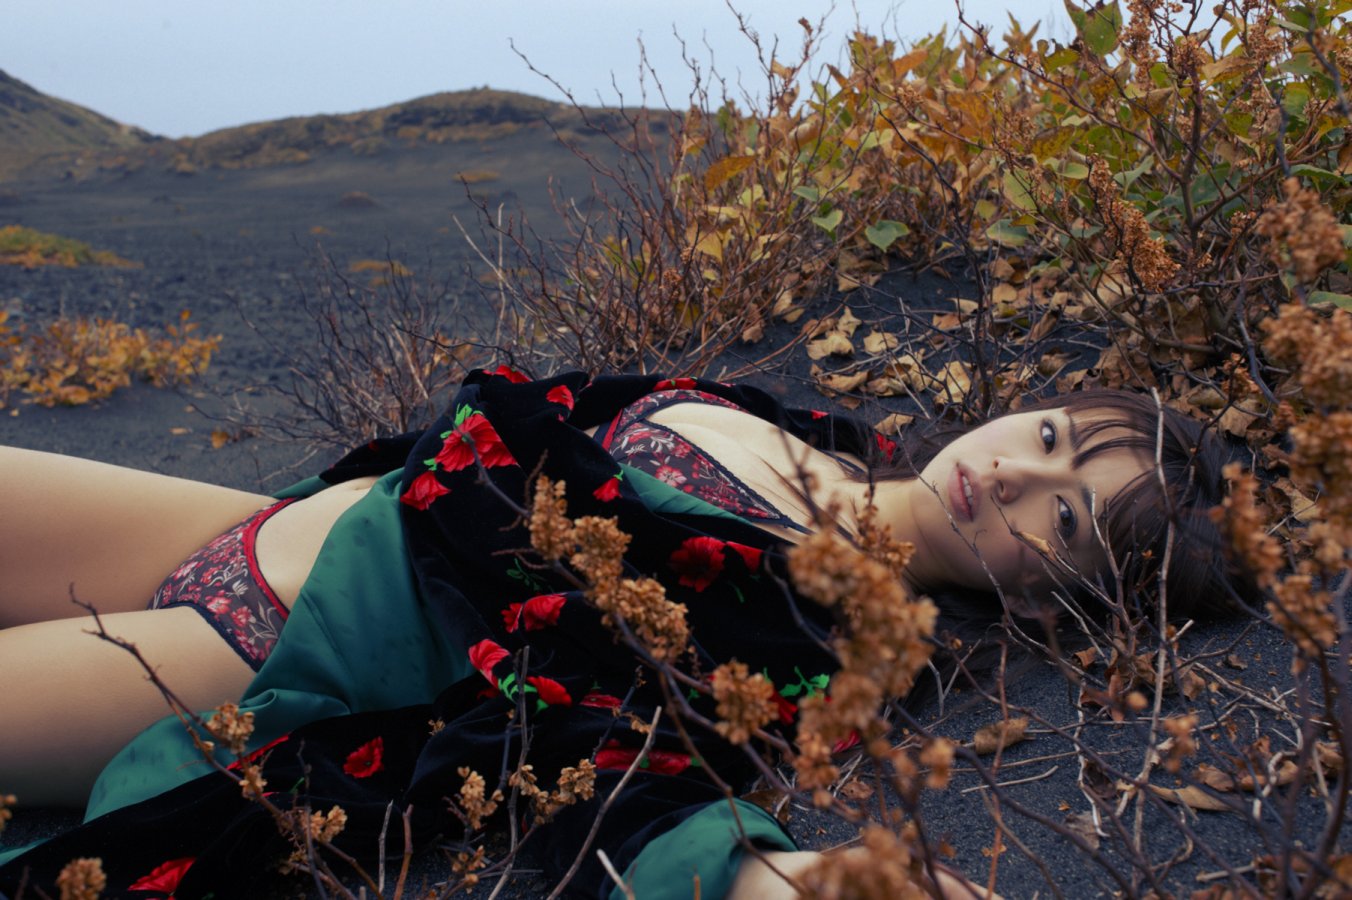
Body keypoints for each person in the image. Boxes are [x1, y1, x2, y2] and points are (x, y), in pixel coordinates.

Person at [0, 369, 1243, 898]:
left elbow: (617, 752)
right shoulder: (817, 434)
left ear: (1046, 601)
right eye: (1048, 438)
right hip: (243, 522)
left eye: (1062, 518)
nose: (1012, 475)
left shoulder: (820, 629)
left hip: (252, 644)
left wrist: (772, 878)